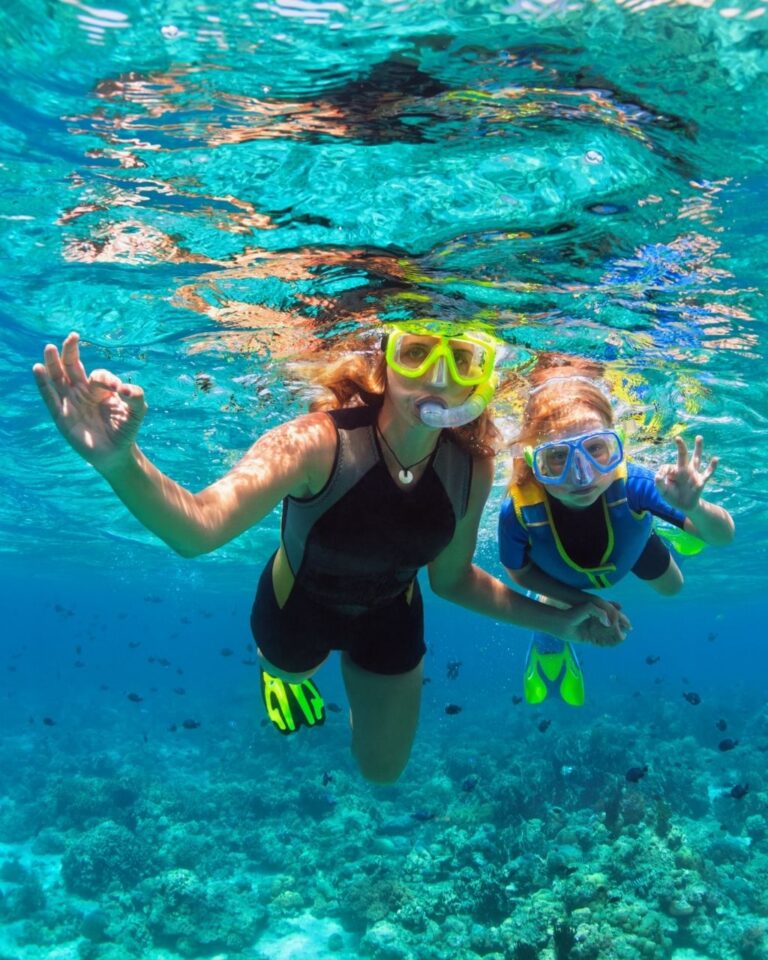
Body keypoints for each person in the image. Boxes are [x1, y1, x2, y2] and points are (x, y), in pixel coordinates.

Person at [34, 326, 615, 784]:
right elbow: (198, 530)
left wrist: (562, 620)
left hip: (391, 612)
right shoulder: (316, 441)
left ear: (481, 382)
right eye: (416, 353)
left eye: (461, 360)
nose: (436, 377)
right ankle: (281, 674)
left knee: (382, 772)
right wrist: (118, 462)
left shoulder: (473, 467)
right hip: (298, 606)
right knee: (291, 670)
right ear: (385, 365)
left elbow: (454, 580)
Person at [498, 362, 735, 707]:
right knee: (555, 606)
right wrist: (584, 602)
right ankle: (549, 642)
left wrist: (695, 508)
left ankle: (674, 528)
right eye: (557, 458)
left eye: (596, 449)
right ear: (534, 461)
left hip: (631, 546)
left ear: (618, 445)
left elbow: (724, 536)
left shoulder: (636, 484)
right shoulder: (519, 511)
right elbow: (517, 572)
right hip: (560, 577)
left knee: (674, 587)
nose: (581, 477)